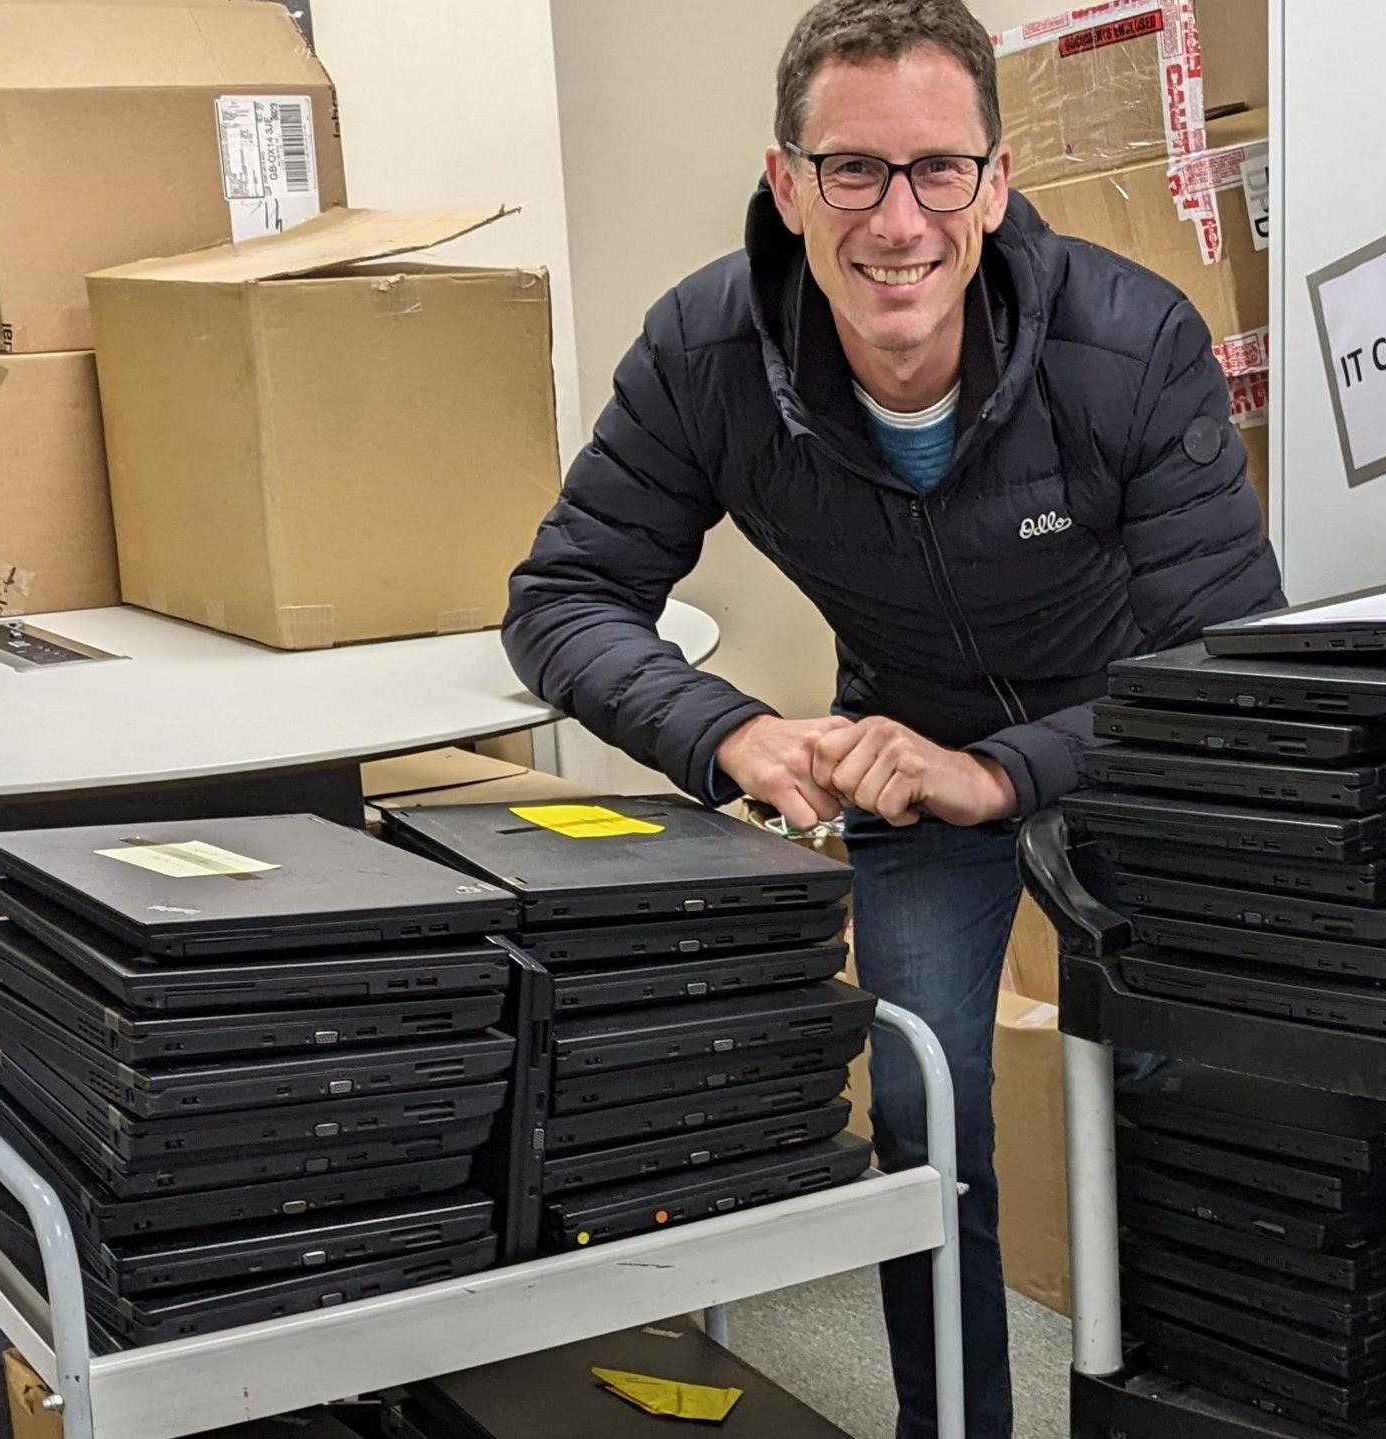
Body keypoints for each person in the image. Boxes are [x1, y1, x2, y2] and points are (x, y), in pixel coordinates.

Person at [502, 1, 1280, 1433]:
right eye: (851, 170)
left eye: (937, 170)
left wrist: (1006, 771)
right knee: (928, 1118)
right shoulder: (703, 353)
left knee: (1188, 1107)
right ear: (785, 184)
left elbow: (1224, 670)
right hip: (901, 758)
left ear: (994, 182)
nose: (896, 219)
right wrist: (731, 732)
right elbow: (563, 600)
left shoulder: (1127, 343)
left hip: (1135, 750)